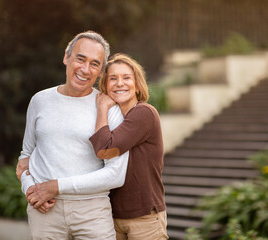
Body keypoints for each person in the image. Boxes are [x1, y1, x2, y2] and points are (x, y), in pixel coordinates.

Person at [17, 31, 130, 240]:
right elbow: (26, 155)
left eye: (95, 64)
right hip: (45, 212)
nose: (85, 69)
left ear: (100, 71)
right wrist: (31, 191)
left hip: (92, 212)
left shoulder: (109, 108)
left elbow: (116, 174)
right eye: (80, 59)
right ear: (66, 57)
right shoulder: (39, 101)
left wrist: (55, 186)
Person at [90, 53, 168, 240]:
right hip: (113, 216)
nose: (120, 83)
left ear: (137, 84)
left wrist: (101, 107)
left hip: (144, 217)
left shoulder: (144, 113)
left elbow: (104, 150)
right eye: (113, 78)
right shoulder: (111, 119)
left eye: (126, 78)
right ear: (105, 85)